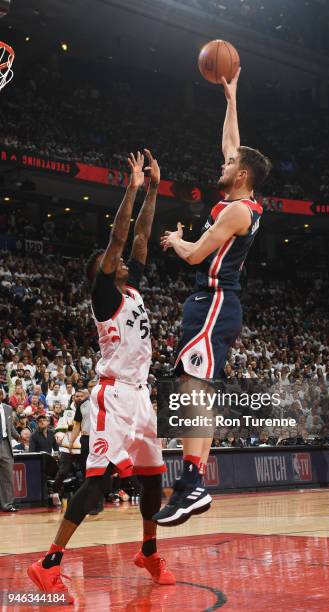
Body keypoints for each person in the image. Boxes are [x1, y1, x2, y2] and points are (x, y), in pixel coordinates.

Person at [27, 150, 174, 602]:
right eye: (115, 263)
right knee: (97, 485)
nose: (126, 261)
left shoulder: (131, 289)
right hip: (113, 397)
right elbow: (119, 237)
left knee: (153, 482)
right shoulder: (104, 296)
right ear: (102, 275)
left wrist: (153, 189)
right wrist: (130, 188)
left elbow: (142, 236)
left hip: (141, 397)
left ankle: (148, 550)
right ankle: (48, 563)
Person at [155, 68, 271, 526]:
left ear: (241, 176)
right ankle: (191, 482)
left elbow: (195, 256)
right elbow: (232, 143)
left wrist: (175, 240)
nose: (220, 165)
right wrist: (231, 100)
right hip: (210, 303)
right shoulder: (238, 195)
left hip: (216, 299)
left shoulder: (238, 212)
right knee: (191, 386)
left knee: (192, 386)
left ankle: (192, 483)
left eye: (227, 166)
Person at [0, 387, 20, 512]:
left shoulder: (7, 408)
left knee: (7, 477)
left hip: (5, 444)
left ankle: (7, 505)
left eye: (0, 393)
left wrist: (19, 437)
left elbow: (10, 427)